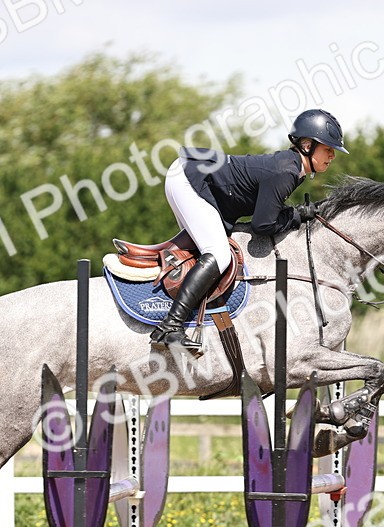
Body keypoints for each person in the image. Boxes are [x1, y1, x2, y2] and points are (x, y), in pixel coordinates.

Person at [149, 108, 349, 351]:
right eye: (328, 149)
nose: (332, 156)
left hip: (190, 174)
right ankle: (171, 325)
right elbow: (263, 225)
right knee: (219, 255)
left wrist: (293, 214)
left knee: (207, 253)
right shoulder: (286, 171)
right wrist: (296, 215)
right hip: (190, 178)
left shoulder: (291, 168)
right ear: (307, 145)